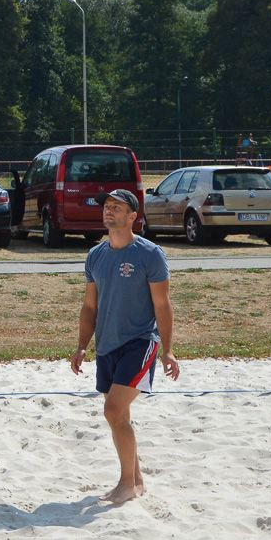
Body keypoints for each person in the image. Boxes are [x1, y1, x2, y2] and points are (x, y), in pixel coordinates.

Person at [69, 189, 180, 505]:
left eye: (117, 207)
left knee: (113, 410)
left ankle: (126, 484)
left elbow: (162, 305)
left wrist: (167, 350)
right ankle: (138, 480)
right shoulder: (96, 255)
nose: (109, 210)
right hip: (107, 344)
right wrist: (81, 346)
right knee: (120, 417)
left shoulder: (150, 254)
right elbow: (90, 306)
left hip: (140, 342)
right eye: (106, 206)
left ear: (133, 216)